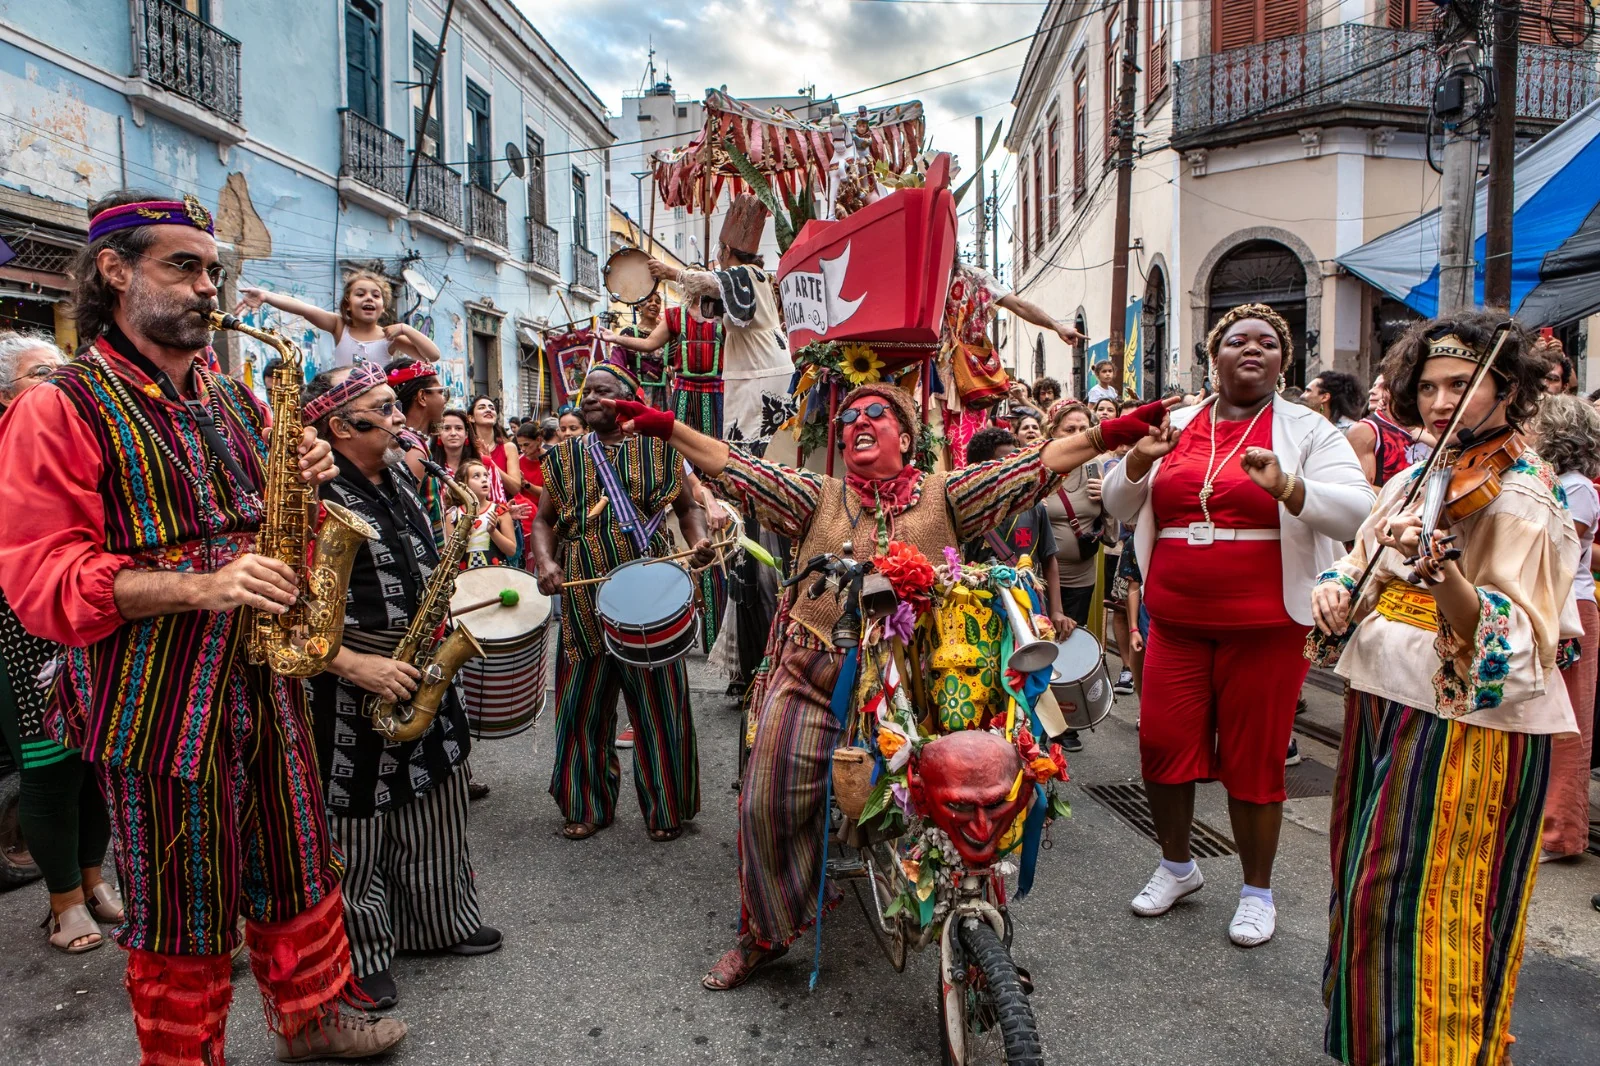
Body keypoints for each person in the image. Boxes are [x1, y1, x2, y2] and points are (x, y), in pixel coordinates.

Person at [0, 189, 405, 1062]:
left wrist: (306, 469)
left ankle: (311, 1016)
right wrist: (201, 585)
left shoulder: (232, 398)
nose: (206, 287)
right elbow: (43, 582)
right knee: (181, 906)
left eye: (212, 270)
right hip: (159, 714)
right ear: (114, 272)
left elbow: (274, 525)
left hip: (266, 683)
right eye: (183, 266)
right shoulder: (58, 407)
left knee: (298, 863)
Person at [602, 380, 1176, 989]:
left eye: (877, 412)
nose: (859, 421)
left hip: (919, 684)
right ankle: (765, 934)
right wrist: (669, 429)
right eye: (849, 417)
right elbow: (733, 465)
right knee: (765, 802)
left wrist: (1107, 435)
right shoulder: (817, 496)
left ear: (906, 435)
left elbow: (1032, 467)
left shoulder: (946, 493)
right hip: (813, 671)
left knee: (968, 794)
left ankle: (978, 939)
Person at [1310, 311, 1579, 1066]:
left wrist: (1448, 575)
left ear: (1508, 389)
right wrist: (1336, 590)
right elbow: (1357, 562)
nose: (1438, 401)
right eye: (1428, 385)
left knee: (1427, 905)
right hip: (1385, 702)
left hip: (1465, 723)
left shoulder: (1523, 498)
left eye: (1460, 385)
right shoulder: (1416, 476)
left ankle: (1437, 1051)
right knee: (1365, 885)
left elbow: (1519, 642)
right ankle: (1374, 1047)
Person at [1102, 302, 1373, 948]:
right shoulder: (1179, 423)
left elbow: (1357, 510)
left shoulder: (1308, 430)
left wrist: (1289, 488)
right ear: (1213, 356)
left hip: (1268, 627)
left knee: (1255, 761)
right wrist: (1138, 461)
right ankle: (1177, 866)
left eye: (1268, 343)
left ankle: (1256, 891)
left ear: (1283, 363)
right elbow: (1117, 502)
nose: (1252, 349)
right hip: (1174, 621)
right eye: (1236, 340)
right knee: (1162, 745)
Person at [302, 362, 502, 1012]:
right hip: (353, 677)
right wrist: (354, 666)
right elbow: (284, 610)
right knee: (355, 829)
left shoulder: (402, 475)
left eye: (396, 407)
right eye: (385, 410)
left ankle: (438, 922)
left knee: (438, 798)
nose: (401, 419)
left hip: (419, 664)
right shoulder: (314, 496)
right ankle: (360, 956)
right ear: (338, 425)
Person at [529, 363, 714, 843]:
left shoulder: (660, 449)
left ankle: (666, 808)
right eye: (586, 391)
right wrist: (546, 561)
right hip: (583, 594)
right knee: (581, 705)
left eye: (603, 391)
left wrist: (697, 544)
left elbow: (687, 508)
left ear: (629, 399)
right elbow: (544, 520)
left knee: (659, 704)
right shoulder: (563, 457)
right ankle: (585, 803)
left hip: (648, 590)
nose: (590, 397)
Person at [0, 332, 119, 954]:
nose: (54, 380)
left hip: (89, 620)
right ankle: (63, 902)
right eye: (36, 373)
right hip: (21, 633)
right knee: (48, 770)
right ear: (4, 394)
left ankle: (94, 881)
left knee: (96, 760)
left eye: (59, 368)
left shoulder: (78, 436)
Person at [1529, 393, 1600, 860]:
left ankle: (1561, 833)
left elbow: (1558, 550)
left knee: (1569, 724)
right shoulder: (1555, 480)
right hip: (1552, 603)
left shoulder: (1574, 486)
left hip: (1570, 607)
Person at [237, 270, 440, 368]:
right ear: (347, 304)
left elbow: (432, 355)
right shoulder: (339, 326)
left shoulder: (389, 337)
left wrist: (406, 328)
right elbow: (303, 309)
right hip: (343, 406)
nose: (369, 298)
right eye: (360, 294)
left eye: (375, 296)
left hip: (379, 409)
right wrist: (266, 296)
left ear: (383, 307)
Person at [1345, 371, 1422, 487]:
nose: (1371, 391)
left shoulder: (1430, 429)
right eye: (1374, 385)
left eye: (1382, 387)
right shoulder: (1365, 430)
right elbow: (1362, 490)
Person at [384, 354, 451, 482]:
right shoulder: (411, 451)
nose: (444, 401)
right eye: (441, 392)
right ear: (422, 397)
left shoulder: (410, 442)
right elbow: (411, 502)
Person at [601, 290, 670, 408]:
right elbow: (618, 365)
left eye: (658, 302)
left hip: (663, 391)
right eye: (649, 301)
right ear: (639, 306)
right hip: (637, 389)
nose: (654, 304)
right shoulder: (628, 333)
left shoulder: (667, 334)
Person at [445, 459, 517, 569]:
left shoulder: (499, 511)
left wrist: (493, 532)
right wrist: (465, 534)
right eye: (476, 476)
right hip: (465, 577)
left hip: (495, 575)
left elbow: (511, 550)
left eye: (486, 476)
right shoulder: (453, 516)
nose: (484, 480)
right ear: (463, 484)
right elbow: (450, 557)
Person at [466, 393, 522, 499]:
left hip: (504, 510)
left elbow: (515, 488)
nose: (488, 410)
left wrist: (489, 462)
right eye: (482, 407)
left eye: (491, 408)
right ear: (471, 418)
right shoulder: (466, 447)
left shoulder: (509, 447)